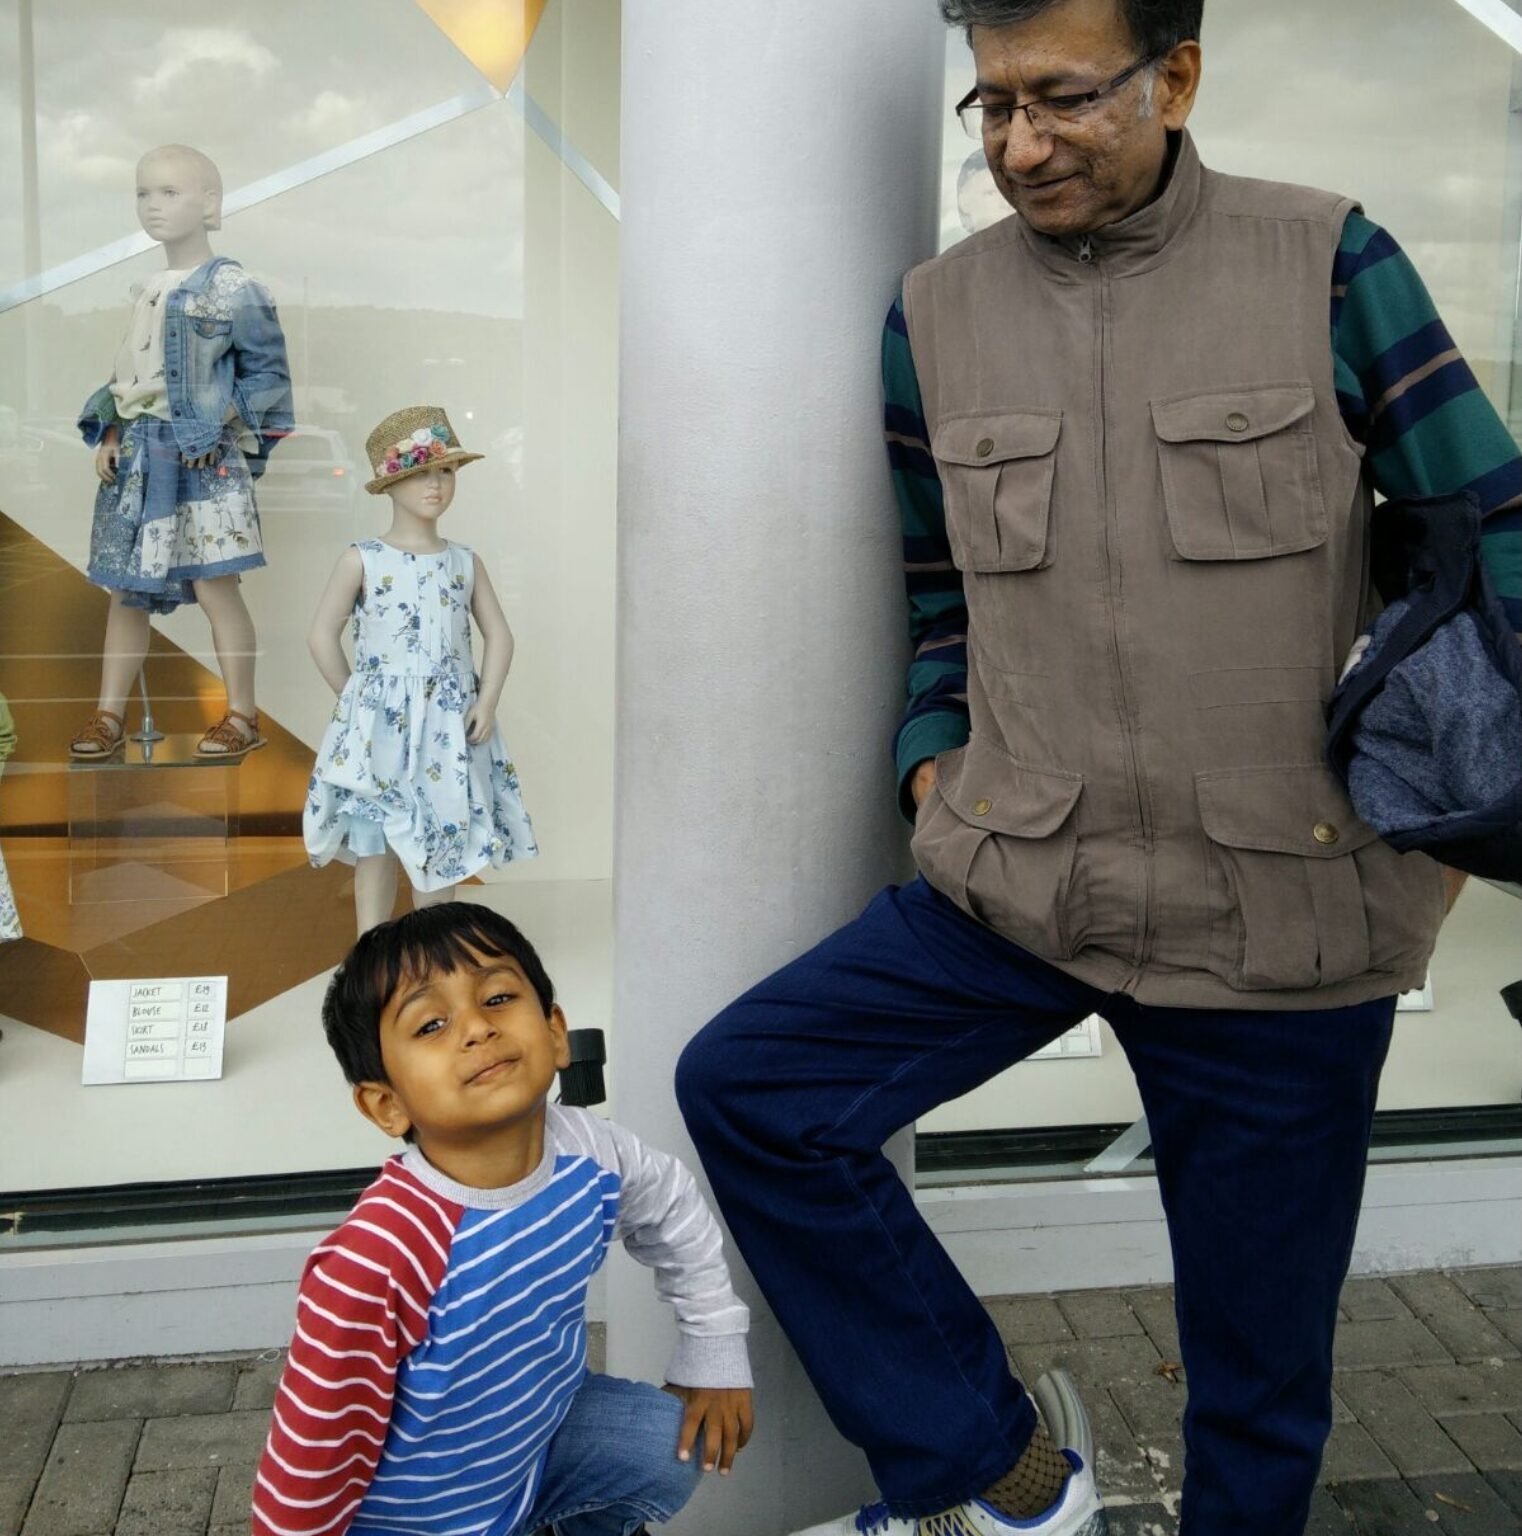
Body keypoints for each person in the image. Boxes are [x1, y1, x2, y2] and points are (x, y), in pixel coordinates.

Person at [677, 3, 1522, 1535]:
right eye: (991, 105)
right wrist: (932, 755)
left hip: (1287, 919)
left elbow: (1492, 540)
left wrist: (1458, 809)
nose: (1018, 145)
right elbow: (937, 591)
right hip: (1019, 881)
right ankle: (996, 1471)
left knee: (1257, 1385)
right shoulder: (933, 317)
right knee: (754, 1090)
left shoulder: (1328, 261)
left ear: (1174, 77)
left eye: (1061, 98)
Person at [252, 902, 755, 1536]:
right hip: (419, 1520)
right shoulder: (377, 1258)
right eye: (431, 1024)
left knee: (670, 1446)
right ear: (386, 1104)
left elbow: (671, 1203)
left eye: (497, 998)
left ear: (555, 1032)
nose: (476, 1028)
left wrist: (712, 1347)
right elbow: (306, 1467)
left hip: (536, 1448)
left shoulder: (589, 1153)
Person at [72, 144, 292, 760]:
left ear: (209, 202)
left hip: (200, 459)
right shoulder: (146, 289)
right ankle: (109, 715)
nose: (153, 205)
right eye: (143, 193)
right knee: (126, 592)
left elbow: (268, 377)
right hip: (140, 458)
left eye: (170, 192)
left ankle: (241, 715)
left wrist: (213, 427)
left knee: (217, 585)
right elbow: (128, 377)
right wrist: (111, 433)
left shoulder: (236, 288)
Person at [303, 406, 537, 934]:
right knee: (377, 837)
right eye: (420, 473)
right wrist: (355, 700)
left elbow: (499, 635)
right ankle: (371, 949)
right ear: (391, 483)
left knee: (443, 830)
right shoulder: (362, 559)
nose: (436, 485)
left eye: (446, 471)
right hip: (380, 728)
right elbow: (321, 636)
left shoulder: (464, 561)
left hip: (447, 726)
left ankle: (431, 950)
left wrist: (487, 701)